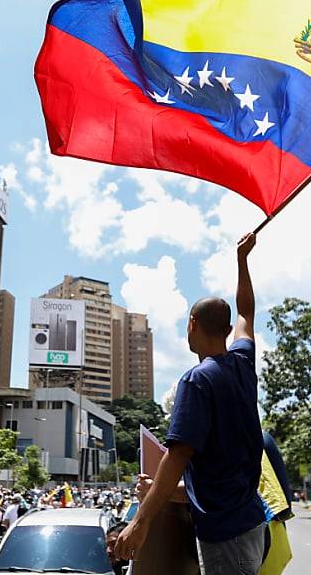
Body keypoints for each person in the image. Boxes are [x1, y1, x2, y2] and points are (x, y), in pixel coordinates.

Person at [114, 233, 263, 575]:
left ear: (192, 325)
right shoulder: (243, 360)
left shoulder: (197, 380)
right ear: (226, 330)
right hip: (248, 525)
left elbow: (177, 456)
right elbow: (248, 312)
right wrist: (242, 261)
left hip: (228, 537)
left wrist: (139, 523)